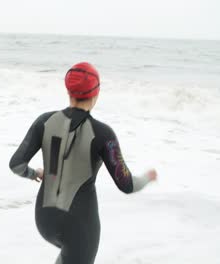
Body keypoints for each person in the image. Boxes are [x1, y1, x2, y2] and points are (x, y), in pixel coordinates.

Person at [9, 62, 157, 264]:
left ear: (68, 90)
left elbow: (16, 164)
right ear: (96, 93)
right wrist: (147, 178)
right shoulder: (103, 133)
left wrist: (34, 173)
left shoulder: (44, 121)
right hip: (79, 226)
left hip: (44, 220)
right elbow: (127, 185)